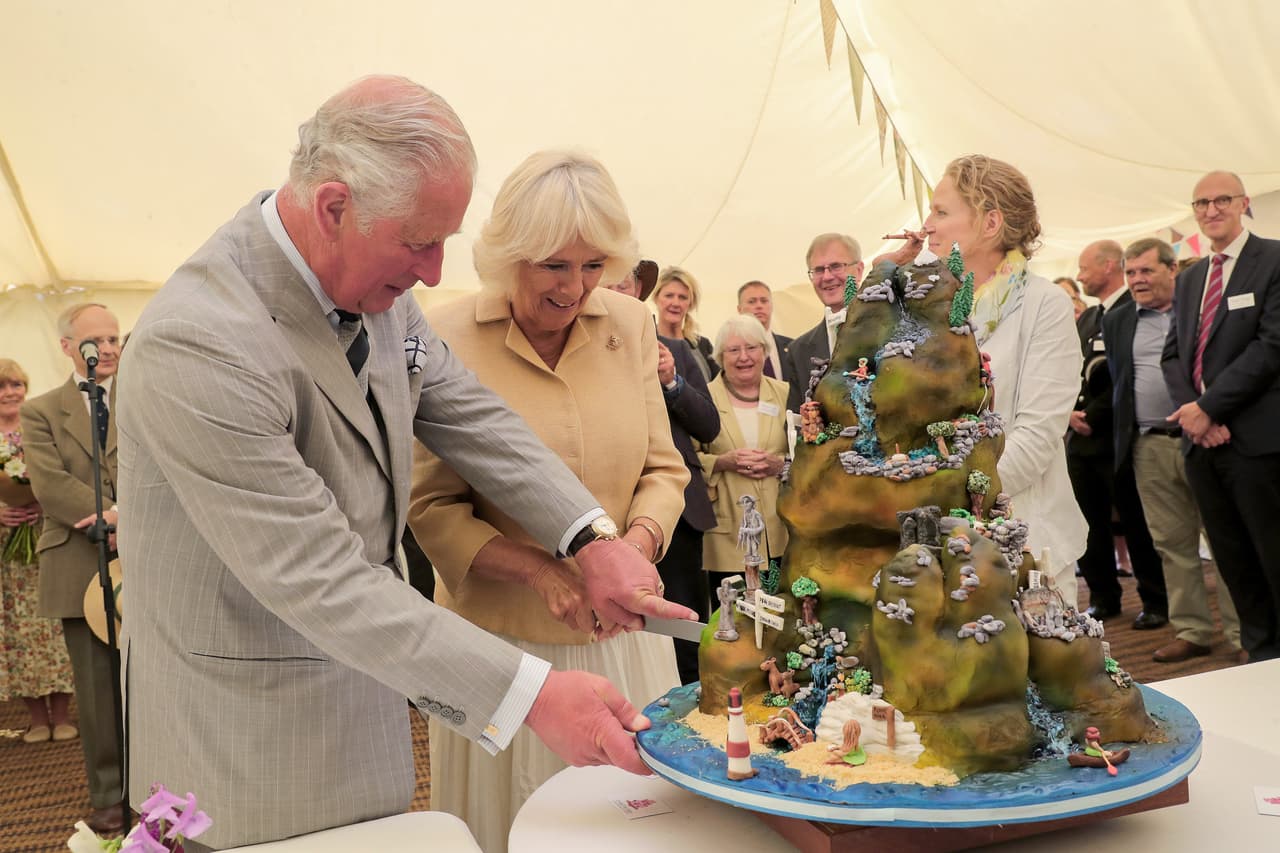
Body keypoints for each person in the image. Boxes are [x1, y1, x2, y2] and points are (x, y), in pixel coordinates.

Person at [114, 77, 696, 851]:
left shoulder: (376, 290)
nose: (433, 271)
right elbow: (320, 575)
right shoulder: (203, 341)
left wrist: (590, 539)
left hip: (367, 709)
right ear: (333, 207)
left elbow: (470, 413)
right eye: (421, 242)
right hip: (242, 752)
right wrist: (533, 696)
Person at [406, 150, 689, 851]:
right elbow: (432, 507)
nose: (577, 288)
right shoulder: (442, 335)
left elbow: (664, 466)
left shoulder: (631, 324)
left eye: (594, 265)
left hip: (625, 640)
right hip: (504, 649)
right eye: (555, 266)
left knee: (638, 824)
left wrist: (636, 546)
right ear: (510, 255)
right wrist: (543, 571)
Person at [888, 155, 1087, 604]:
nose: (928, 225)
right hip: (935, 542)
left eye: (941, 211)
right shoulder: (926, 306)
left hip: (1025, 539)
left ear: (990, 222)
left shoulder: (1045, 305)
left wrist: (955, 501)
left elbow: (1036, 437)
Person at [1107, 238, 1243, 663]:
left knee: (1226, 541)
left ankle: (1244, 634)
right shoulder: (1119, 319)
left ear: (1172, 270)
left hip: (1209, 441)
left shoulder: (1204, 309)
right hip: (1148, 444)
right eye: (1131, 273)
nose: (1137, 280)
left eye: (1146, 271)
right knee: (1172, 543)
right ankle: (1192, 630)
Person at [1162, 170, 1280, 663]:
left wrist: (1208, 408)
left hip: (1256, 442)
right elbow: (1173, 356)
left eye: (1222, 200)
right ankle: (1261, 656)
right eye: (1201, 203)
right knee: (1233, 564)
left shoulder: (1273, 259)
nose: (1211, 210)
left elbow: (1271, 346)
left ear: (1243, 204)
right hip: (1203, 447)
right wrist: (1197, 418)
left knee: (1273, 557)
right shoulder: (1191, 277)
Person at [20, 304, 124, 834]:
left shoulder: (145, 401)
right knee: (97, 687)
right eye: (96, 341)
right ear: (67, 348)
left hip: (143, 556)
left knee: (152, 682)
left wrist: (132, 517)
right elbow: (49, 483)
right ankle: (109, 796)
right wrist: (110, 514)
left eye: (114, 338)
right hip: (79, 559)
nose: (108, 348)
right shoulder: (39, 411)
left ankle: (161, 782)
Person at [611, 261, 720, 686]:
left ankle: (698, 714)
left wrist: (672, 382)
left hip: (676, 510)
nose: (617, 295)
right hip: (613, 510)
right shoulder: (577, 353)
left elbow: (710, 426)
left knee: (684, 624)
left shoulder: (672, 352)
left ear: (639, 294)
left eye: (624, 286)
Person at [1068, 240, 1167, 627]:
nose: (1079, 276)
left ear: (1109, 266)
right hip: (1080, 440)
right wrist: (1069, 414)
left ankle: (1155, 601)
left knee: (1136, 522)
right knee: (1088, 523)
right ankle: (1103, 596)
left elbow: (1130, 375)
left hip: (1117, 437)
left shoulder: (1134, 312)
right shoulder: (1090, 316)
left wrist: (1092, 414)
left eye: (1084, 267)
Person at [0, 358, 77, 746]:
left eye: (16, 384)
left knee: (53, 627)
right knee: (20, 634)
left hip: (46, 538)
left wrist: (42, 502)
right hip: (8, 556)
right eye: (2, 387)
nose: (10, 393)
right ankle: (35, 719)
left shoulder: (40, 424)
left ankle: (62, 714)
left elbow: (66, 475)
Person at [699, 315, 790, 591]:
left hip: (780, 531)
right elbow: (686, 459)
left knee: (778, 614)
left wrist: (780, 464)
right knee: (733, 619)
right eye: (733, 350)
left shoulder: (786, 394)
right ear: (719, 356)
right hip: (728, 536)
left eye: (751, 348)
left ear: (764, 351)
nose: (743, 357)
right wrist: (722, 462)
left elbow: (807, 453)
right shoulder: (702, 398)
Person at [785, 234, 864, 413]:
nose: (827, 276)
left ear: (859, 270)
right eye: (819, 270)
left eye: (836, 266)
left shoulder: (891, 327)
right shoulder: (798, 351)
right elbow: (794, 425)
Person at [652, 266, 718, 380]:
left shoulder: (702, 346)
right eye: (669, 296)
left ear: (690, 303)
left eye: (682, 297)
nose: (676, 303)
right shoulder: (647, 341)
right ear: (656, 298)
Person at [737, 280, 793, 382]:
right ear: (739, 309)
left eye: (764, 301)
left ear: (771, 306)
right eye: (752, 301)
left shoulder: (792, 347)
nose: (759, 306)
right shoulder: (732, 350)